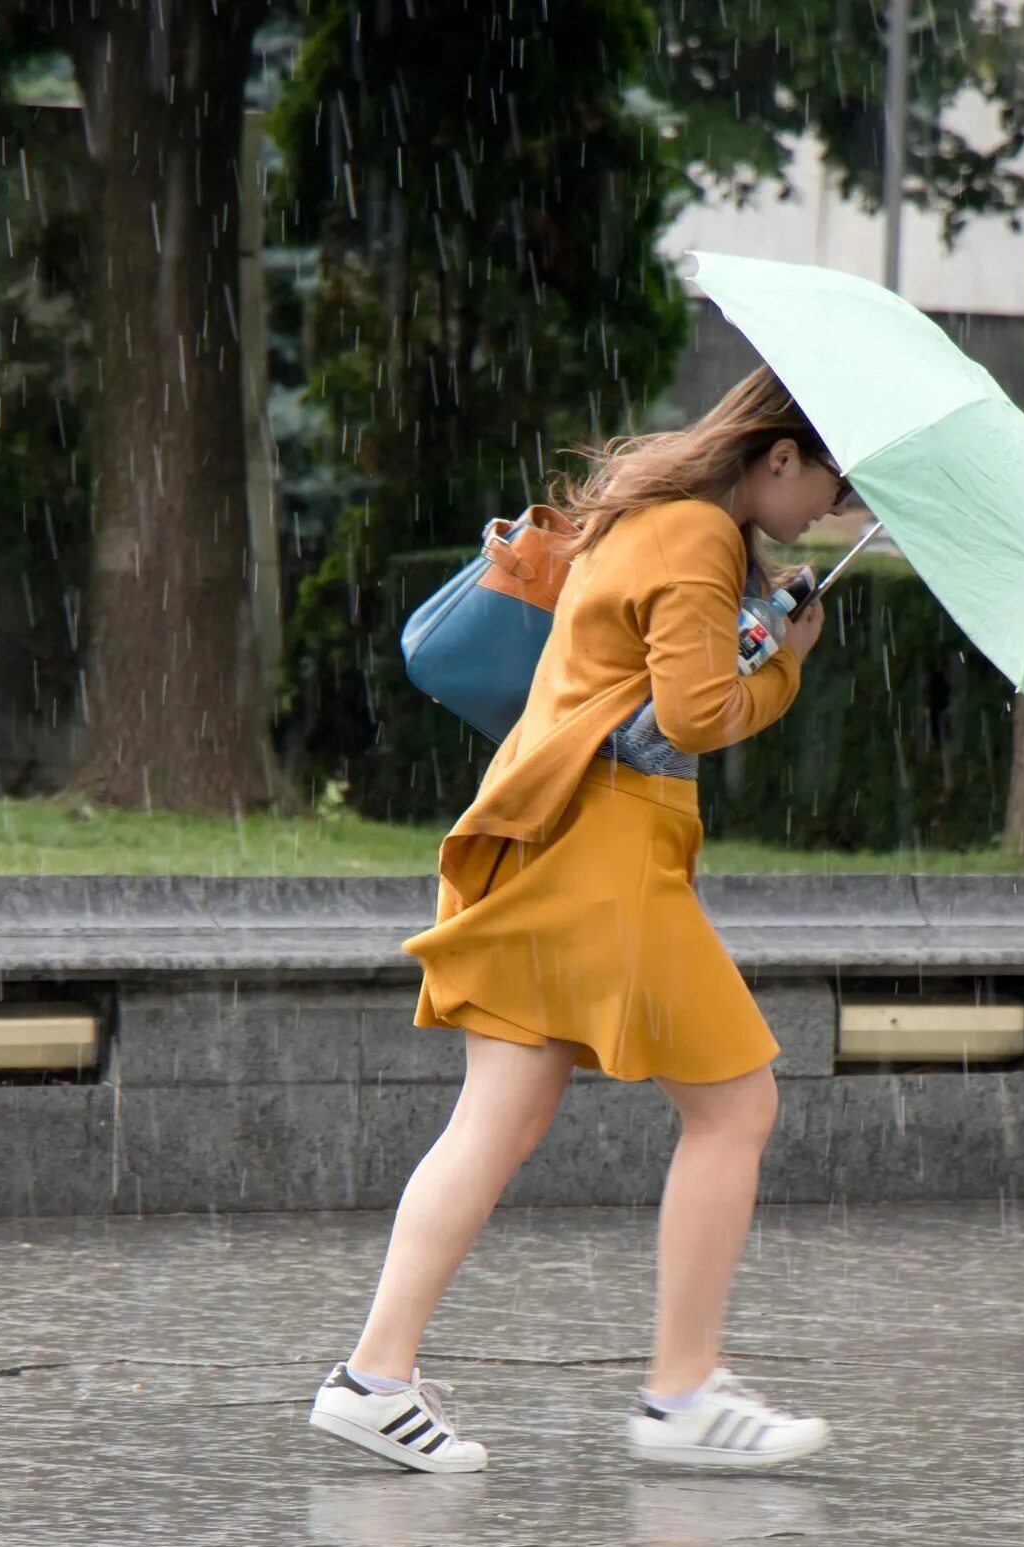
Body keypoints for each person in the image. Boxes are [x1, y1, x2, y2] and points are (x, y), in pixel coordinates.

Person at [307, 366, 852, 1474]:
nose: (833, 515)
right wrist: (784, 671)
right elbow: (691, 720)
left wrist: (747, 632)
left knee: (496, 1118)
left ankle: (373, 1376)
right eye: (834, 487)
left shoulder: (649, 516)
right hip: (606, 850)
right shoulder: (697, 532)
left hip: (541, 834)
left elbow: (645, 698)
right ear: (780, 455)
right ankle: (682, 1393)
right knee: (737, 1106)